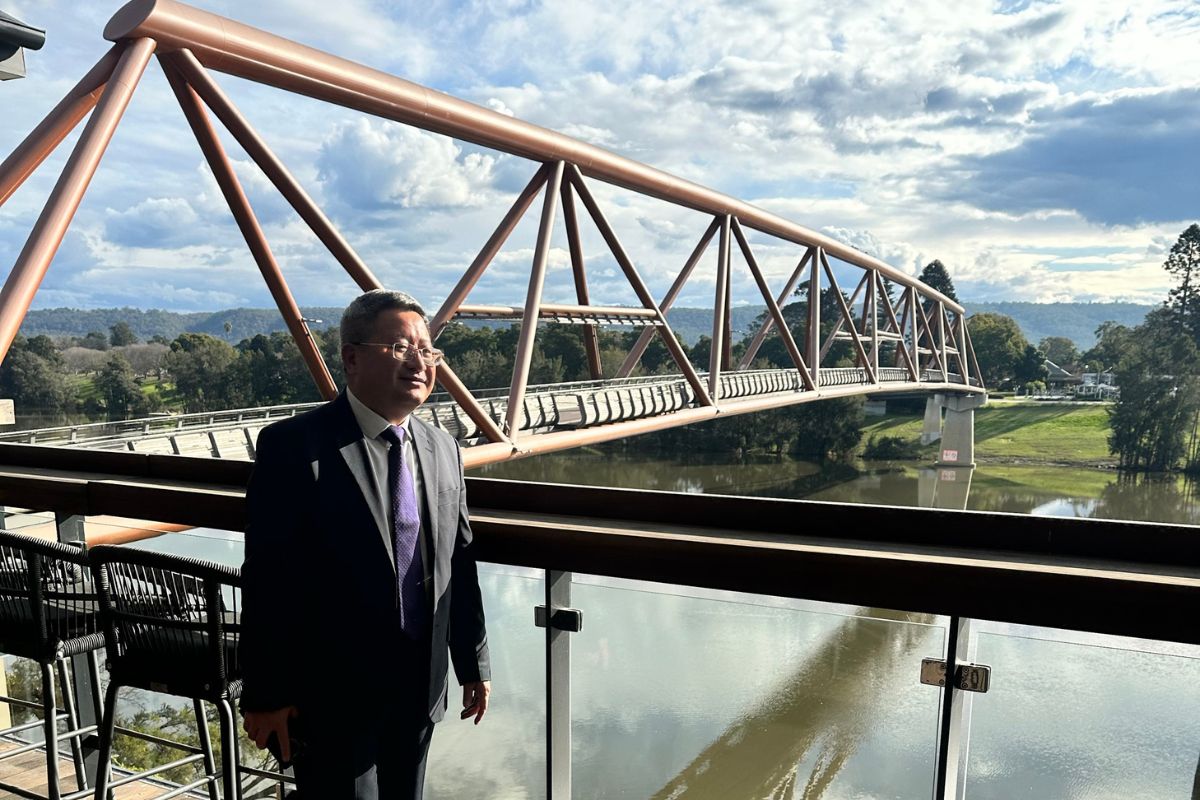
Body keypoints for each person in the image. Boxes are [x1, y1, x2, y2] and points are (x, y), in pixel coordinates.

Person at [240, 289, 491, 799]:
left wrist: (473, 662)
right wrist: (267, 693)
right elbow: (268, 577)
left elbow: (457, 562)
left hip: (422, 683)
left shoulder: (442, 447)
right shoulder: (295, 446)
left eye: (428, 350)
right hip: (329, 692)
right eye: (400, 347)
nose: (419, 361)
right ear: (351, 358)